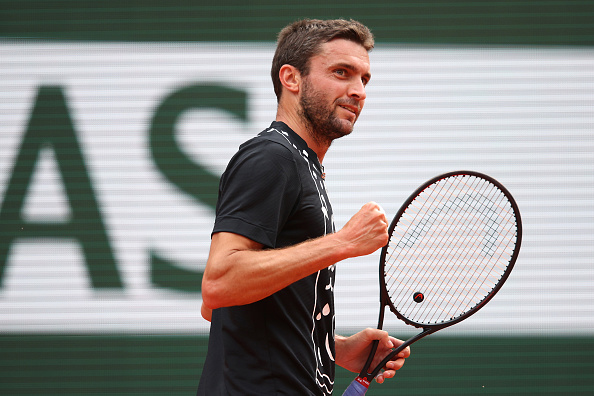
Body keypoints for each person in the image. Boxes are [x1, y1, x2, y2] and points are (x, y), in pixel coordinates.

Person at [197, 19, 410, 395]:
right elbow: (219, 286)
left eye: (364, 79)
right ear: (291, 78)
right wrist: (342, 243)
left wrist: (334, 349)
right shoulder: (272, 157)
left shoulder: (302, 165)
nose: (358, 91)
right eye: (341, 73)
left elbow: (222, 312)